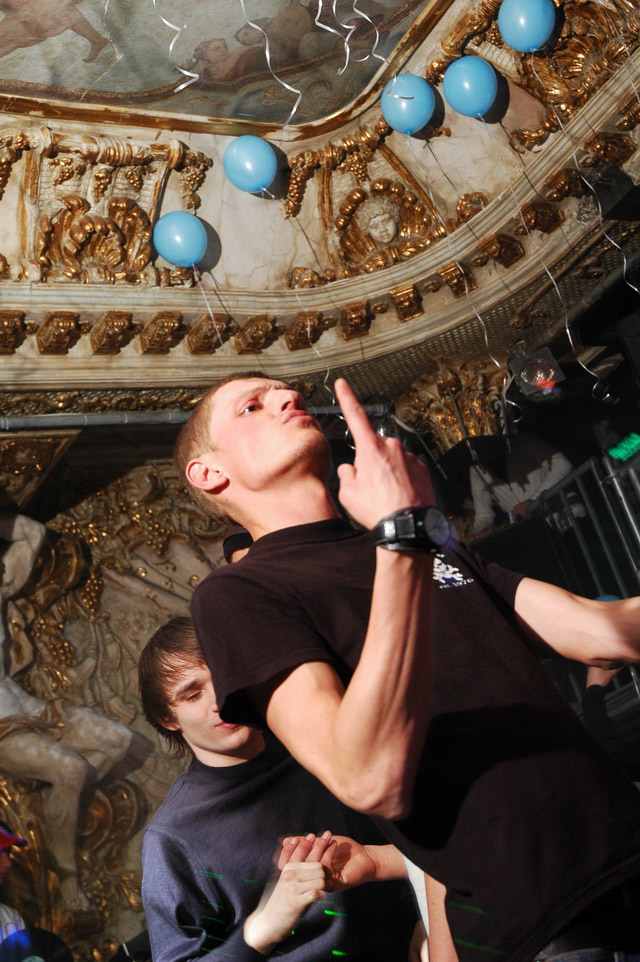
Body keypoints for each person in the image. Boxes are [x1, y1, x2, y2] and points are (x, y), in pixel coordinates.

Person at [178, 372, 640, 962]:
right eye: (252, 406)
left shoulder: (420, 541)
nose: (288, 397)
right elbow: (367, 777)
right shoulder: (238, 594)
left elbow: (602, 633)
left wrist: (403, 536)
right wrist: (401, 535)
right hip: (546, 926)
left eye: (285, 391)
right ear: (209, 472)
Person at [138, 616, 418, 962]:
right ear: (168, 718)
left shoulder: (322, 741)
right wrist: (261, 930)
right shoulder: (172, 837)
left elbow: (440, 840)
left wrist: (423, 916)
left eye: (223, 675)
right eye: (193, 694)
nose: (219, 700)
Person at [0, 514, 133, 909]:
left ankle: (58, 804)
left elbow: (31, 533)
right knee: (70, 769)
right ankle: (66, 875)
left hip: (31, 707)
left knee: (119, 740)